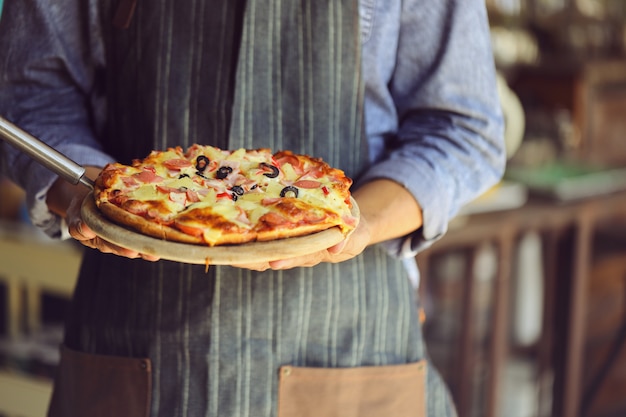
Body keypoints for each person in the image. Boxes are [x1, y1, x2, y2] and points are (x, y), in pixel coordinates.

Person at [0, 0, 505, 416]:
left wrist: (362, 219)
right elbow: (32, 95)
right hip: (136, 333)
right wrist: (96, 193)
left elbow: (462, 127)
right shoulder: (125, 196)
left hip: (348, 337)